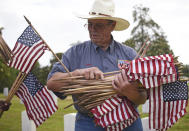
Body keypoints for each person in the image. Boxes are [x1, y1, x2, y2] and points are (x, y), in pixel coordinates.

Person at [47, 0, 147, 130]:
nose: (92, 29)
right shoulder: (75, 53)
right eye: (89, 24)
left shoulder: (129, 54)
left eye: (98, 25)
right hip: (89, 123)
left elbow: (143, 97)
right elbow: (51, 83)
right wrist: (78, 74)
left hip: (128, 121)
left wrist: (131, 93)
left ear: (112, 26)